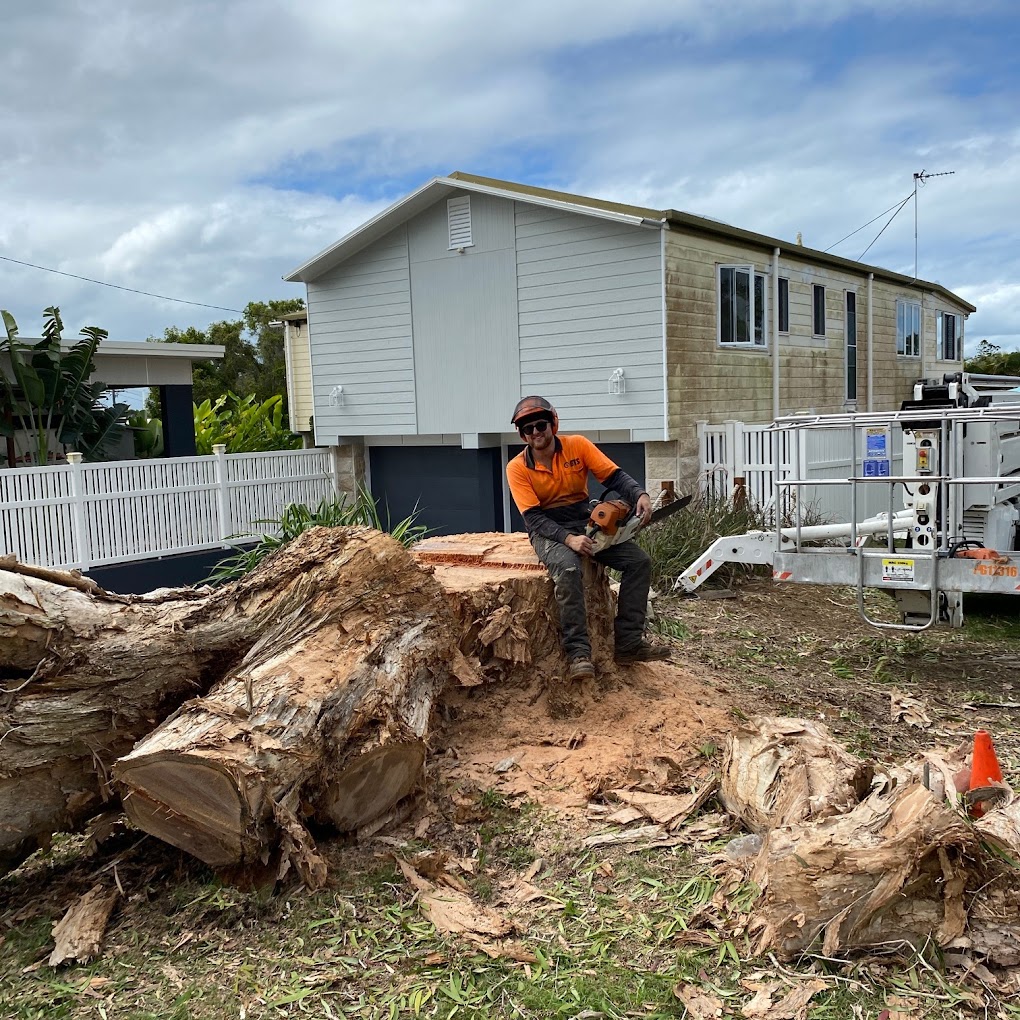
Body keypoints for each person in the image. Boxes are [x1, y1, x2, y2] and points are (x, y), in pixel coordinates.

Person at [506, 395, 671, 681]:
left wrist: (640, 494)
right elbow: (533, 518)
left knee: (638, 562)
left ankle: (629, 643)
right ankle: (578, 652)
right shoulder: (517, 467)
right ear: (522, 434)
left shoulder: (577, 445)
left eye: (540, 425)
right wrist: (568, 539)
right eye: (528, 429)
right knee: (569, 570)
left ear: (552, 423)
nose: (536, 433)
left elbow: (614, 477)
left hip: (584, 518)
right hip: (548, 528)